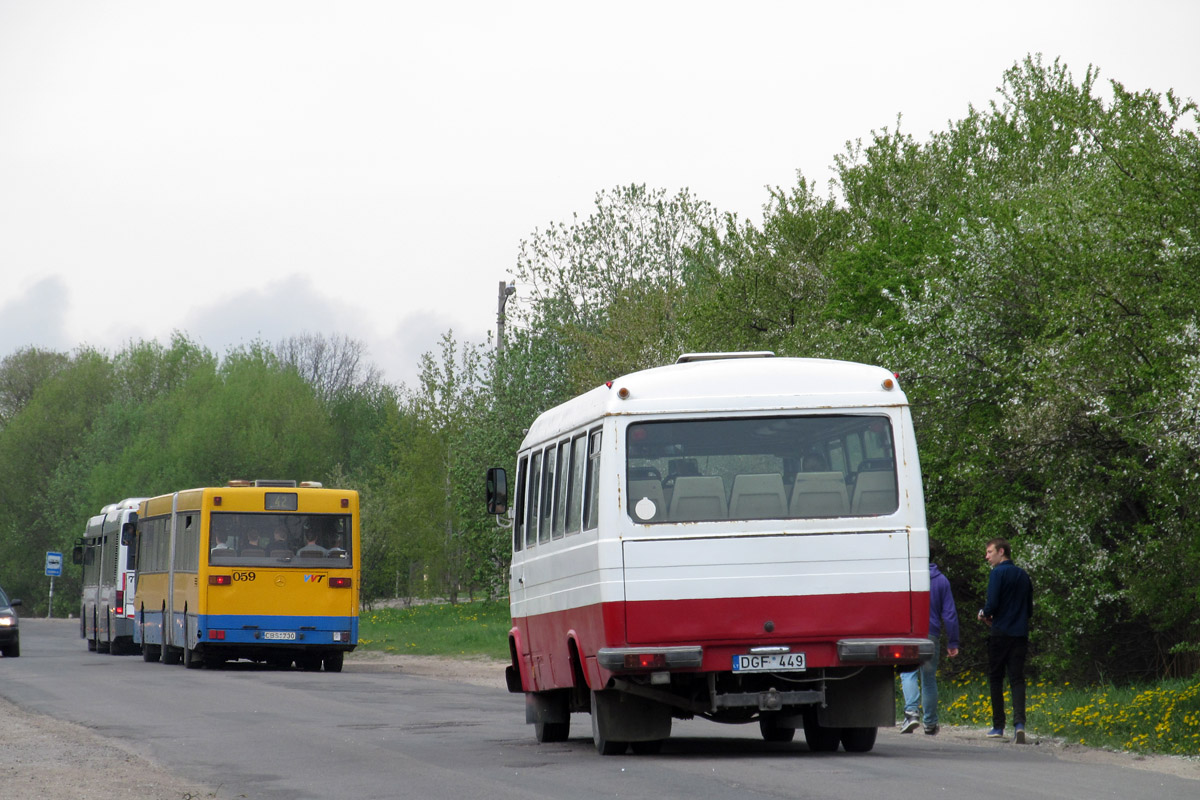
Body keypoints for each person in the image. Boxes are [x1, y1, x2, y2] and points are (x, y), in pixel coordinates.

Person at [980, 537, 1034, 743]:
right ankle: (1019, 724)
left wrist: (983, 613)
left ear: (1001, 551)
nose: (987, 557)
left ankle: (998, 725)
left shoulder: (997, 573)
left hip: (1000, 633)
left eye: (989, 552)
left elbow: (991, 605)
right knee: (1017, 679)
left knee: (996, 677)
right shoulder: (1023, 575)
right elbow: (1029, 610)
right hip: (1020, 633)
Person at [899, 562, 959, 735]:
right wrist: (953, 641)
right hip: (931, 634)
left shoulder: (907, 576)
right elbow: (949, 614)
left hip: (909, 633)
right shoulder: (941, 581)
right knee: (929, 678)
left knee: (908, 673)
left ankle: (911, 714)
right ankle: (930, 723)